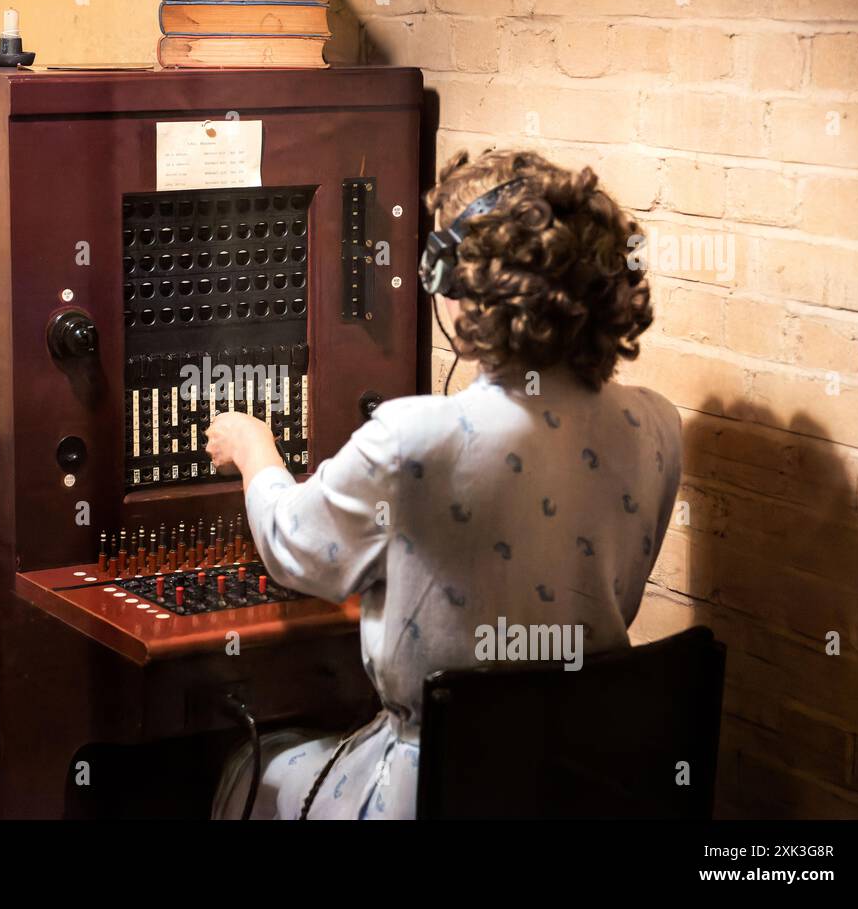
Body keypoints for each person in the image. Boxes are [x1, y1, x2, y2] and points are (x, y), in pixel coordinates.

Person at [205, 149, 683, 820]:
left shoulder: (413, 437)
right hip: (582, 791)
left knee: (249, 765)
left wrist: (256, 453)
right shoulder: (658, 424)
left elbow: (295, 548)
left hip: (431, 792)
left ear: (454, 281)